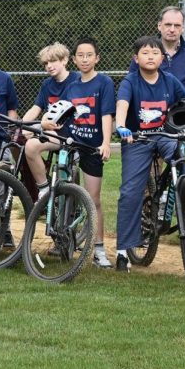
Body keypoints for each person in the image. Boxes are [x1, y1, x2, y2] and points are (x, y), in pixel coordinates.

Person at [113, 35, 185, 273]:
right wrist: (121, 125)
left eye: (155, 53)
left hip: (165, 137)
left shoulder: (170, 80)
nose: (150, 57)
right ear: (136, 58)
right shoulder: (131, 81)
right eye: (145, 53)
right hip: (137, 139)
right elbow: (122, 105)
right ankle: (122, 252)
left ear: (162, 57)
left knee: (183, 151)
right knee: (130, 192)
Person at [129, 6, 185, 154]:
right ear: (159, 25)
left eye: (177, 25)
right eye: (168, 24)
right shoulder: (145, 53)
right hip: (153, 125)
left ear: (182, 28)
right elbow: (132, 87)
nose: (172, 29)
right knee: (153, 172)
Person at [65, 37, 116, 268]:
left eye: (89, 55)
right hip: (71, 143)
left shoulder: (104, 83)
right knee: (65, 191)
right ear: (74, 59)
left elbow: (107, 115)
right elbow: (64, 113)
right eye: (80, 55)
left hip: (92, 146)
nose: (85, 59)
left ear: (97, 58)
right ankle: (64, 237)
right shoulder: (71, 85)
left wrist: (106, 142)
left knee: (94, 199)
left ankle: (98, 248)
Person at [21, 42, 80, 192]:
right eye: (46, 63)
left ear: (65, 60)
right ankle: (44, 189)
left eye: (53, 61)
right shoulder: (47, 84)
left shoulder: (77, 80)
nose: (49, 66)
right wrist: (22, 125)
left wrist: (43, 122)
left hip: (73, 133)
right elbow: (36, 107)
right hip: (54, 133)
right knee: (29, 144)